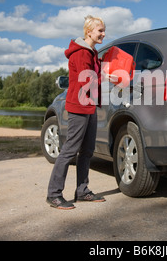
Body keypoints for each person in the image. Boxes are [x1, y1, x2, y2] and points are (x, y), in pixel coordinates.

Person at [46, 15, 106, 210]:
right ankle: (54, 194)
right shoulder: (81, 53)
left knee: (87, 151)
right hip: (79, 106)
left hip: (89, 105)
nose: (103, 34)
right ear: (89, 31)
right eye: (100, 30)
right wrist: (104, 77)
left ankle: (82, 191)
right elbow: (85, 81)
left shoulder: (92, 52)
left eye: (103, 30)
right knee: (70, 150)